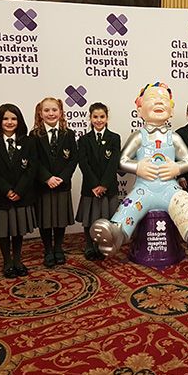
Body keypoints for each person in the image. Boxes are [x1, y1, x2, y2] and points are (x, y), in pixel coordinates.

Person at [91, 82, 188, 257]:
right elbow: (122, 160)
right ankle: (116, 233)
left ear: (171, 110)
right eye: (152, 99)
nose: (159, 103)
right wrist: (137, 166)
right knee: (129, 206)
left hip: (170, 189)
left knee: (185, 203)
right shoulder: (138, 136)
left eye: (163, 99)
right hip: (144, 189)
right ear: (139, 110)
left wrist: (177, 167)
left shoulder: (174, 137)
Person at [0, 104, 37, 278]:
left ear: (19, 120)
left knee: (18, 230)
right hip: (1, 196)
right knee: (4, 230)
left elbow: (32, 168)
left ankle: (17, 260)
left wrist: (19, 190)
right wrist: (7, 190)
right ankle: (7, 261)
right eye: (6, 119)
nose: (10, 122)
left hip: (22, 195)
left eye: (14, 118)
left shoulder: (28, 141)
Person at [30, 98, 78, 268]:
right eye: (47, 111)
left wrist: (62, 177)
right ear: (40, 114)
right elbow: (33, 160)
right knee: (45, 219)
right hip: (43, 185)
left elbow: (73, 159)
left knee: (59, 218)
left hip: (62, 184)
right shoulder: (34, 135)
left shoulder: (68, 134)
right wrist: (47, 178)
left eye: (54, 110)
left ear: (60, 112)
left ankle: (58, 248)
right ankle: (48, 250)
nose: (51, 114)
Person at [76, 102, 121, 261]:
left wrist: (104, 185)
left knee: (107, 218)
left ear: (107, 118)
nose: (99, 120)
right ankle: (90, 246)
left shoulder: (114, 138)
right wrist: (95, 185)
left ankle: (104, 246)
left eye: (102, 116)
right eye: (95, 117)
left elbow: (113, 163)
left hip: (108, 187)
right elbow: (83, 163)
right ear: (90, 118)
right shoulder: (84, 140)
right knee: (90, 218)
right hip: (90, 187)